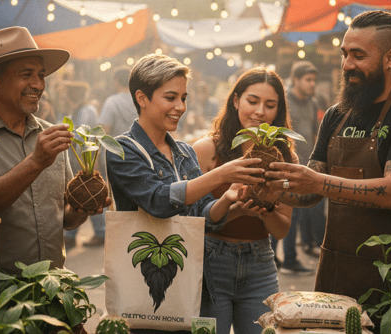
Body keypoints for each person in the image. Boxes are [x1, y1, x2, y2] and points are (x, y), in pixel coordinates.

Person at [265, 10, 391, 309]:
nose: (348, 65)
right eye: (345, 54)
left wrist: (317, 181)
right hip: (336, 271)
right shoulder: (336, 115)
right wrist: (271, 189)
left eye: (359, 55)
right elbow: (309, 190)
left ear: (390, 58)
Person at [105, 54, 267, 334]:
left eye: (184, 97)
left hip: (191, 282)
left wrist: (228, 201)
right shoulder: (122, 149)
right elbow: (158, 201)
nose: (180, 107)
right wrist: (220, 174)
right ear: (142, 98)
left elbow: (202, 215)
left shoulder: (184, 151)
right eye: (171, 97)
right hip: (143, 279)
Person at [0, 26, 109, 274]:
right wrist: (35, 162)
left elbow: (65, 219)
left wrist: (81, 208)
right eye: (26, 74)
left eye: (41, 75)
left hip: (49, 287)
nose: (38, 84)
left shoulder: (49, 134)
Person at [192, 67, 294, 334]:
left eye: (270, 105)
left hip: (259, 265)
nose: (260, 112)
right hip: (209, 266)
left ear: (278, 110)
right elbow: (192, 221)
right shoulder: (206, 151)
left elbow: (281, 230)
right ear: (236, 100)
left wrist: (264, 210)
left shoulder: (284, 158)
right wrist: (235, 208)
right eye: (252, 101)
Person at [271, 61, 325, 275]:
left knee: (295, 214)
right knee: (286, 212)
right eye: (308, 80)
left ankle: (282, 257)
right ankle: (285, 259)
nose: (312, 84)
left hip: (306, 167)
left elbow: (314, 134)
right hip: (287, 165)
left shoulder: (312, 103)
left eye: (314, 80)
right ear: (295, 80)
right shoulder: (284, 102)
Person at [61, 81, 106, 248]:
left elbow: (83, 135)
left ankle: (101, 232)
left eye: (66, 94)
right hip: (78, 160)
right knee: (78, 195)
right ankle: (71, 235)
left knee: (91, 195)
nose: (63, 97)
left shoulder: (87, 110)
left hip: (86, 160)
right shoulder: (77, 110)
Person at [99, 66, 137, 137]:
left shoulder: (111, 102)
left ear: (116, 81)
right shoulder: (140, 100)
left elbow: (105, 130)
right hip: (138, 146)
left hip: (117, 146)